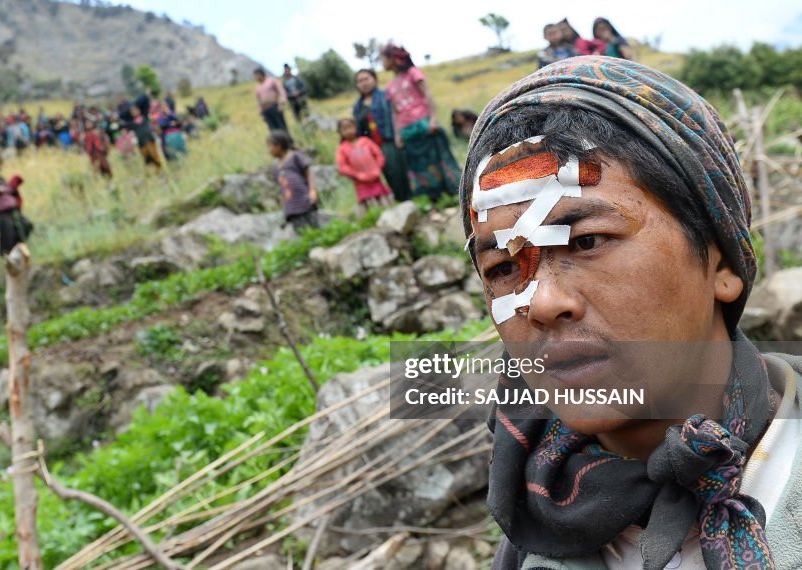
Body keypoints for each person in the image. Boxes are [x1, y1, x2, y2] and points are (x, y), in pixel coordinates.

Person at [459, 56, 802, 570]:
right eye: (503, 269)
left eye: (588, 240)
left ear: (722, 260)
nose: (544, 302)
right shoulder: (536, 524)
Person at [381, 44, 461, 205]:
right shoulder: (389, 87)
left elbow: (427, 94)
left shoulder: (413, 73)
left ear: (393, 59)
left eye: (383, 58)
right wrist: (397, 134)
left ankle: (453, 192)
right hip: (407, 130)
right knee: (418, 165)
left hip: (424, 123)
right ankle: (432, 197)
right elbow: (395, 112)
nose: (381, 63)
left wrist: (433, 119)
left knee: (436, 158)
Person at [353, 69, 411, 202]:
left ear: (374, 79)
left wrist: (399, 133)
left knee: (398, 169)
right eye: (359, 81)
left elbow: (398, 114)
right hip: (372, 146)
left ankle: (409, 198)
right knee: (387, 173)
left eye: (366, 79)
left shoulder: (386, 96)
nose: (363, 83)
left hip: (390, 140)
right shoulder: (357, 106)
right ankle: (400, 200)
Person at [336, 118, 393, 216]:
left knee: (382, 200)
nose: (348, 131)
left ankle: (389, 216)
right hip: (360, 182)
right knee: (366, 205)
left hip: (375, 178)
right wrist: (357, 175)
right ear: (340, 132)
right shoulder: (342, 149)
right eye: (344, 129)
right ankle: (371, 220)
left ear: (355, 127)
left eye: (350, 127)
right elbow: (342, 166)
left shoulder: (366, 141)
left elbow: (379, 155)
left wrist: (377, 169)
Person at [0, 154, 33, 256]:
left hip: (9, 209)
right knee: (7, 231)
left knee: (24, 225)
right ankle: (5, 254)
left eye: (0, 163)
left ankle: (16, 247)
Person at [267, 130, 319, 234]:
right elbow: (280, 186)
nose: (269, 150)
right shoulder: (275, 167)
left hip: (305, 200)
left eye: (270, 146)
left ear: (279, 146)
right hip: (291, 206)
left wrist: (312, 191)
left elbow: (308, 173)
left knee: (314, 228)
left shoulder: (295, 156)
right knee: (301, 231)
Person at [123, 105, 163, 171]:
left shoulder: (145, 117)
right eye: (132, 111)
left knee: (155, 156)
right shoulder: (131, 123)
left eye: (135, 110)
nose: (134, 112)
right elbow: (122, 117)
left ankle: (160, 171)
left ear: (139, 110)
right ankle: (152, 173)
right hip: (141, 143)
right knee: (147, 159)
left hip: (150, 140)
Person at [254, 68, 290, 134]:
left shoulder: (271, 81)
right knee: (272, 129)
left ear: (261, 75)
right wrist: (261, 112)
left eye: (256, 76)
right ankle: (279, 144)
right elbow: (259, 101)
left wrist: (281, 103)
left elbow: (281, 91)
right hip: (266, 110)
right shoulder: (258, 88)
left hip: (275, 107)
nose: (255, 78)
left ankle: (289, 143)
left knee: (281, 126)